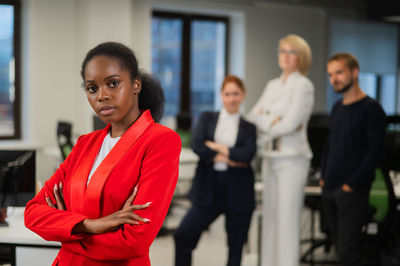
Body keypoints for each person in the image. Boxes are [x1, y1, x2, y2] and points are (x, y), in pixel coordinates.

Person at [24, 42, 182, 266]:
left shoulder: (160, 141)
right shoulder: (84, 144)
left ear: (136, 84)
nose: (101, 96)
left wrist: (65, 230)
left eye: (113, 83)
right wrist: (90, 224)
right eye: (92, 88)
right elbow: (32, 213)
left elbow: (134, 241)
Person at [174, 75, 257, 266]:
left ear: (243, 95)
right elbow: (197, 144)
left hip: (239, 191)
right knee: (183, 235)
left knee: (236, 248)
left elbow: (247, 155)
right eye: (227, 94)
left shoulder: (249, 127)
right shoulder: (207, 118)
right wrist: (228, 157)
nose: (232, 98)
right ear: (221, 95)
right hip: (208, 188)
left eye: (236, 93)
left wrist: (217, 147)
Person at [247, 34, 314, 266]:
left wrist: (270, 120)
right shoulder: (272, 85)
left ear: (301, 57)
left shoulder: (304, 86)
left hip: (292, 161)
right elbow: (252, 117)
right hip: (270, 158)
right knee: (271, 220)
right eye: (282, 51)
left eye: (291, 52)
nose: (285, 56)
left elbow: (291, 122)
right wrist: (272, 121)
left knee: (287, 222)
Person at [320, 52, 386, 266]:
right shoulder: (337, 108)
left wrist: (351, 185)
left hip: (352, 192)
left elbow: (375, 153)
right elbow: (330, 145)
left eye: (339, 72)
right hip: (330, 188)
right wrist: (323, 176)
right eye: (330, 74)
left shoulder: (371, 109)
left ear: (355, 72)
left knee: (349, 254)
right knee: (340, 250)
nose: (334, 79)